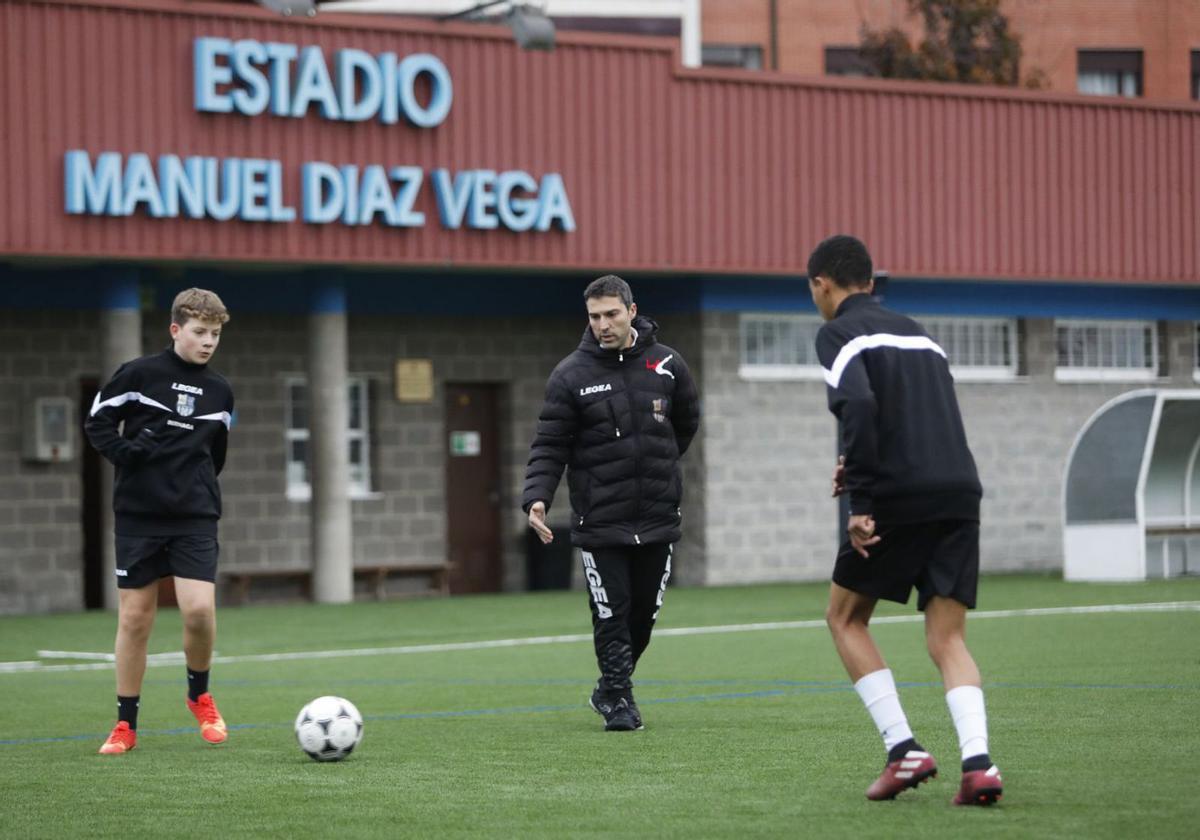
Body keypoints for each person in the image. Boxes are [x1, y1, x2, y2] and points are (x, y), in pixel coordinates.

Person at [807, 235, 1002, 805]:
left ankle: (903, 749)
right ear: (869, 279)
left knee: (844, 617)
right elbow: (920, 417)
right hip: (959, 492)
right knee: (947, 637)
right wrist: (858, 465)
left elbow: (861, 405)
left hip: (898, 498)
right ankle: (980, 765)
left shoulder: (836, 332)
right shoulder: (921, 334)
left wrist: (861, 501)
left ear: (823, 284)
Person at [523, 275, 700, 732]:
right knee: (611, 612)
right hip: (600, 520)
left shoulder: (668, 365)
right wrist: (537, 497)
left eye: (611, 315)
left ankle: (608, 685)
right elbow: (549, 445)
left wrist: (654, 465)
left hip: (658, 516)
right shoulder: (570, 375)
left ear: (631, 311)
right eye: (594, 317)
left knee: (643, 616)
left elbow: (685, 424)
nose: (603, 324)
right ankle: (619, 700)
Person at [85, 288, 235, 755]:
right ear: (175, 330)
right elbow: (97, 423)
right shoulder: (139, 374)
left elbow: (217, 456)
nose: (208, 342)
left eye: (214, 334)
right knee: (134, 620)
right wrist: (131, 456)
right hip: (138, 516)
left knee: (199, 611)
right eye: (199, 332)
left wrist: (190, 483)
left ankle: (199, 694)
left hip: (194, 516)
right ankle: (125, 725)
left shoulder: (221, 391)